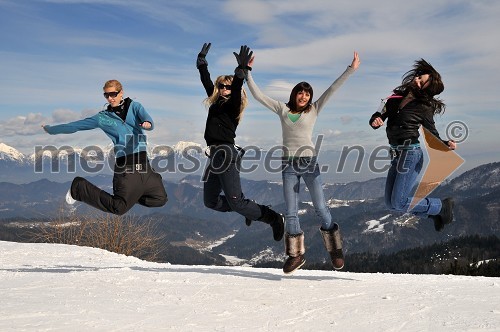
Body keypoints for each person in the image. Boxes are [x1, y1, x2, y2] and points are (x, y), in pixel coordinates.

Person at [246, 51, 361, 274]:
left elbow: (333, 89)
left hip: (309, 164)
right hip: (288, 166)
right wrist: (248, 73)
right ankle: (296, 255)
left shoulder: (314, 109)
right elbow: (259, 96)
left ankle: (335, 249)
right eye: (301, 93)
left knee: (320, 207)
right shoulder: (282, 109)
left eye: (307, 94)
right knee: (291, 211)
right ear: (295, 94)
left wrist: (351, 69)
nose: (304, 97)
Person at [196, 43, 284, 242]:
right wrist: (202, 64)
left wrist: (241, 73)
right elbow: (206, 82)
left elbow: (236, 89)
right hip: (214, 156)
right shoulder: (215, 102)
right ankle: (247, 209)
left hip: (227, 154)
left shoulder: (234, 106)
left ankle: (273, 218)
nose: (224, 89)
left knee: (236, 202)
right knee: (210, 201)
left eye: (227, 86)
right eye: (221, 86)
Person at [42, 79, 168, 215]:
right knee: (118, 208)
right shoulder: (103, 118)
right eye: (106, 95)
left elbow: (148, 121)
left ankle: (133, 196)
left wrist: (147, 124)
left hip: (145, 167)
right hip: (126, 168)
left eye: (113, 94)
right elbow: (75, 126)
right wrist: (51, 129)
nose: (110, 98)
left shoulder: (135, 107)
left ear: (121, 93)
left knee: (160, 199)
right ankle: (79, 187)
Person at [369, 59, 456, 232]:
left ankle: (441, 207)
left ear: (426, 89)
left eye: (421, 81)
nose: (416, 80)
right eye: (418, 76)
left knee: (399, 202)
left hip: (410, 154)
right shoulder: (395, 96)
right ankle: (432, 214)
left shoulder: (424, 107)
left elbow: (431, 133)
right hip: (396, 155)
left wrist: (445, 143)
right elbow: (379, 114)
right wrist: (375, 121)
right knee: (391, 204)